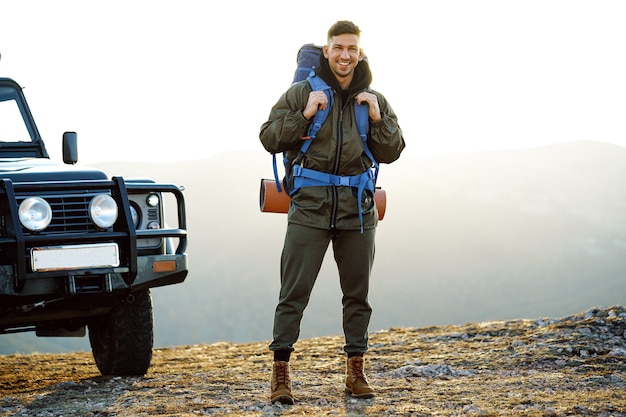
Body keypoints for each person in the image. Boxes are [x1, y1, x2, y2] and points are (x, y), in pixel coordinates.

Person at [259, 20, 405, 404]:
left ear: (360, 53)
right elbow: (269, 137)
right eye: (338, 48)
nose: (345, 55)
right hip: (309, 209)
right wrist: (305, 113)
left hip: (358, 212)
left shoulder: (374, 99)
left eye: (352, 49)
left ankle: (355, 372)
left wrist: (378, 118)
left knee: (358, 295)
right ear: (326, 51)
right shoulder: (301, 93)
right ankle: (280, 376)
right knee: (293, 294)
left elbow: (393, 150)